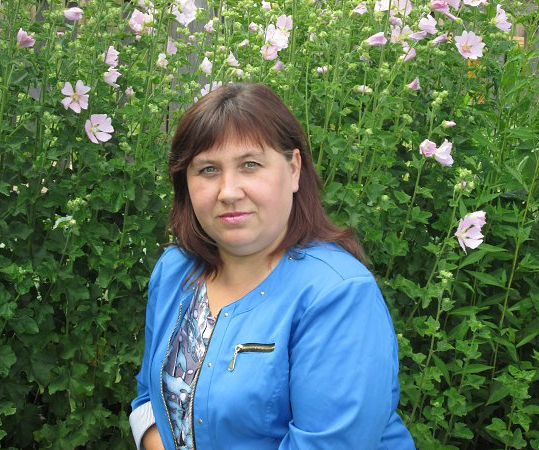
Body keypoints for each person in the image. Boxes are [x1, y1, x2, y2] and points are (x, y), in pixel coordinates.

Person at [129, 83, 415, 450]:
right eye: (208, 169)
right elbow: (149, 399)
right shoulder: (176, 271)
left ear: (294, 169)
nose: (228, 191)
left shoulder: (338, 295)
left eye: (250, 165)